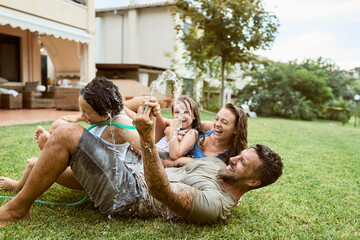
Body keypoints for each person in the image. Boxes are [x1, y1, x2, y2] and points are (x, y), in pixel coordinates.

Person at [0, 102, 283, 227]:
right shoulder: (217, 168)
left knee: (67, 136)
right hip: (133, 172)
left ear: (254, 181)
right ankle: (61, 151)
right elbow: (171, 164)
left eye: (242, 162)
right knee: (115, 122)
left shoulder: (214, 205)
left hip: (129, 195)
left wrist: (147, 139)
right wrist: (148, 142)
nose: (233, 158)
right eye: (238, 154)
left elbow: (161, 192)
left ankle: (16, 210)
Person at [0, 76, 152, 192]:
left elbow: (146, 148)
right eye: (81, 111)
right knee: (58, 125)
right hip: (88, 163)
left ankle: (16, 186)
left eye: (87, 112)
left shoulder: (119, 125)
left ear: (105, 113)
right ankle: (51, 145)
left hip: (97, 176)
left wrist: (143, 130)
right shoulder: (107, 115)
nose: (83, 115)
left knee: (35, 164)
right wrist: (80, 117)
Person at [163, 103, 248, 167]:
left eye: (224, 122)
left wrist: (185, 161)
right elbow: (176, 123)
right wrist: (168, 130)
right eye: (217, 119)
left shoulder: (232, 156)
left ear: (236, 129)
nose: (217, 124)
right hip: (168, 157)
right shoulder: (207, 127)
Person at [155, 96, 204, 160]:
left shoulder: (191, 133)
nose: (180, 116)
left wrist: (172, 130)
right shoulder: (174, 126)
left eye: (185, 112)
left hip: (163, 158)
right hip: (153, 153)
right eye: (177, 112)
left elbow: (174, 155)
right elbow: (162, 120)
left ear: (194, 115)